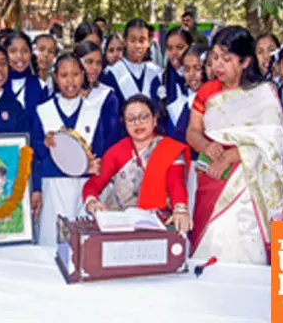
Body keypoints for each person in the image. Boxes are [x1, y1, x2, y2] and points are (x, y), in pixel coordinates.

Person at [186, 26, 283, 265]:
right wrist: (205, 146)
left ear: (245, 62)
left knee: (243, 250)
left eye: (227, 59)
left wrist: (234, 155)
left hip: (246, 184)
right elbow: (192, 131)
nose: (218, 65)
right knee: (208, 249)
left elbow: (272, 141)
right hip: (210, 178)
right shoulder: (207, 92)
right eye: (215, 58)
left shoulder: (264, 93)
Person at [82, 95, 192, 234]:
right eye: (131, 119)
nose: (138, 123)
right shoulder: (116, 152)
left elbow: (176, 184)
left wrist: (181, 210)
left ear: (155, 119)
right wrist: (92, 202)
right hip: (119, 225)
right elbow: (93, 185)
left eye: (143, 117)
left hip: (158, 223)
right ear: (125, 124)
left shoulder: (169, 149)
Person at [32, 54, 106, 246]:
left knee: (82, 241)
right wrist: (44, 145)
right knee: (51, 237)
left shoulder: (94, 110)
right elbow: (34, 149)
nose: (70, 80)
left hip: (84, 185)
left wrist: (95, 166)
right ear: (55, 78)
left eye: (75, 74)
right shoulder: (43, 110)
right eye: (64, 75)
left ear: (83, 76)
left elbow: (100, 147)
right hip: (53, 184)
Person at [102, 18, 162, 107]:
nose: (137, 46)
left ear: (149, 42)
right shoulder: (112, 73)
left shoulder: (156, 72)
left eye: (142, 41)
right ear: (125, 42)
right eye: (132, 40)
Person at [74, 40, 121, 149]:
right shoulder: (62, 95)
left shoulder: (108, 97)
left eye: (98, 63)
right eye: (89, 62)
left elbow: (111, 137)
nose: (95, 67)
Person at [3, 32, 48, 121]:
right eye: (13, 51)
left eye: (24, 51)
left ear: (31, 53)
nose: (19, 56)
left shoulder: (41, 86)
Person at [153, 28, 193, 127]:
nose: (174, 53)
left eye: (180, 47)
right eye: (170, 48)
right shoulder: (159, 80)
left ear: (191, 47)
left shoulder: (201, 77)